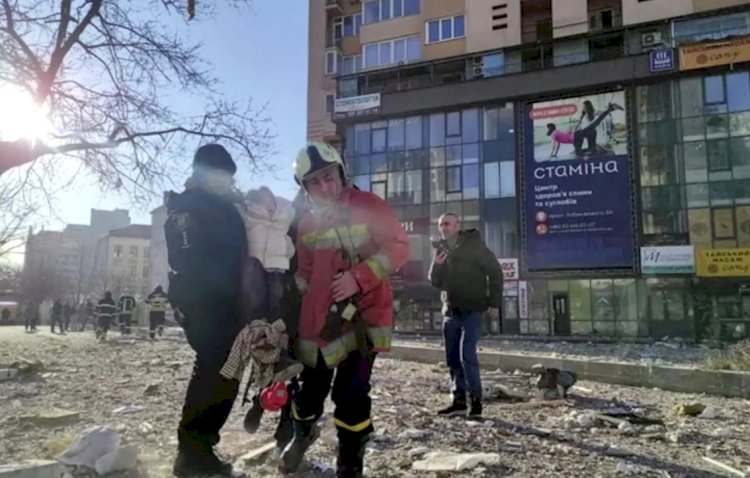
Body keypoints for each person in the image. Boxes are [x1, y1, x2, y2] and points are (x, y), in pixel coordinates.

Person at [279, 142, 409, 477]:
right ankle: (301, 434)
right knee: (309, 392)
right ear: (305, 188)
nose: (325, 186)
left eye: (329, 176)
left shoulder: (368, 205)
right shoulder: (307, 223)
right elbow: (307, 271)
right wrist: (290, 286)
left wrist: (359, 277)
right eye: (315, 182)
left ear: (341, 172)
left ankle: (350, 463)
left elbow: (399, 247)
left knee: (350, 395)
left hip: (362, 318)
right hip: (319, 322)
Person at [164, 144, 247, 477]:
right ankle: (190, 451)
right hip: (204, 301)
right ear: (205, 174)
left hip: (228, 301)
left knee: (229, 369)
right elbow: (186, 259)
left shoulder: (222, 205)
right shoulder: (189, 207)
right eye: (222, 175)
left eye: (230, 177)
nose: (228, 182)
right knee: (214, 365)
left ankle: (201, 447)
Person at [226, 185, 302, 436]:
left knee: (285, 352)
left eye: (272, 202)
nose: (269, 206)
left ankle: (272, 409)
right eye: (264, 202)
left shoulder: (286, 220)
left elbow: (292, 249)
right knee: (266, 345)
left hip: (282, 281)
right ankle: (261, 400)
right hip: (257, 280)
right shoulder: (247, 218)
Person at [429, 213, 503, 418]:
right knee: (452, 358)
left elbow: (495, 271)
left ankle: (476, 402)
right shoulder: (440, 249)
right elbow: (435, 281)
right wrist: (436, 265)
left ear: (457, 226)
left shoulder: (474, 245)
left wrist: (494, 302)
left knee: (467, 355)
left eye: (448, 224)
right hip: (450, 312)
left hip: (473, 309)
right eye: (441, 224)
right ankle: (458, 401)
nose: (444, 228)